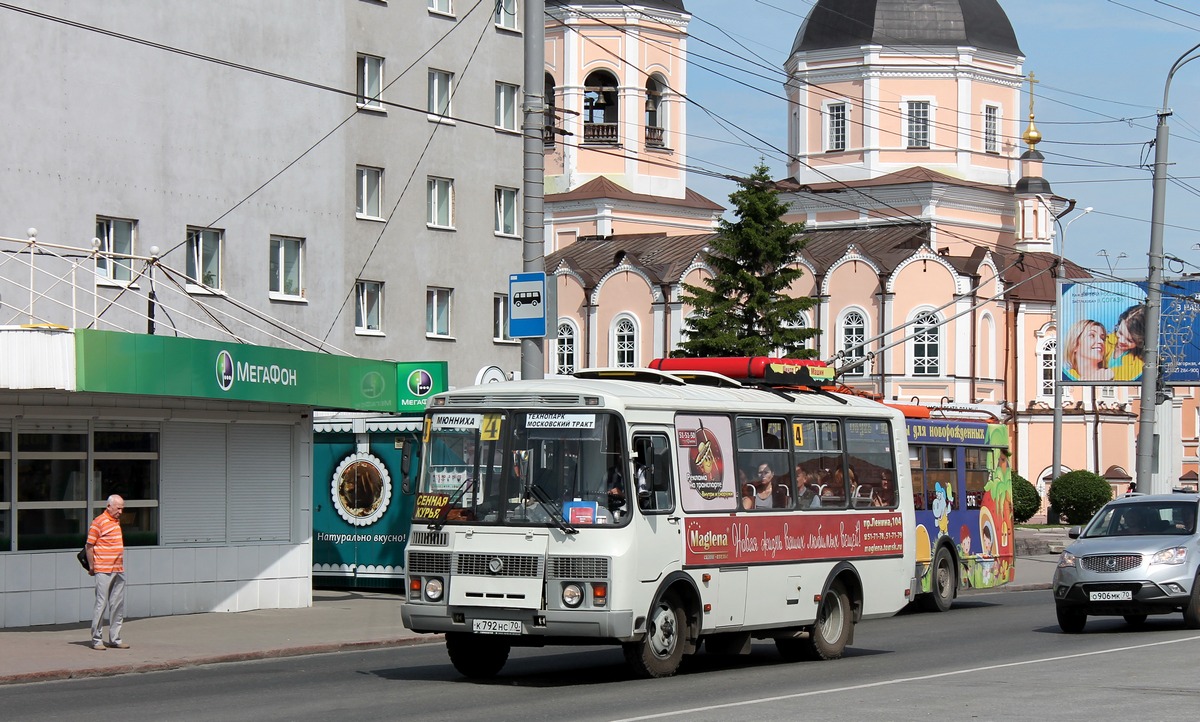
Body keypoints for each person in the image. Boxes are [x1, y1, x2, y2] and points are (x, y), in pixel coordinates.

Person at [86, 494, 128, 651]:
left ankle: (115, 638)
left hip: (118, 568)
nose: (120, 512)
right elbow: (89, 546)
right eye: (118, 508)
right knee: (101, 604)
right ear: (109, 506)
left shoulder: (116, 521)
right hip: (103, 568)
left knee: (117, 604)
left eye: (122, 509)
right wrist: (92, 566)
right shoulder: (98, 522)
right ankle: (96, 639)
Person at [1105, 304, 1146, 381]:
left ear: (1141, 341)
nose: (1121, 340)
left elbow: (1125, 379)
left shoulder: (1140, 363)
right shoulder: (1104, 340)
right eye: (1120, 333)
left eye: (1129, 340)